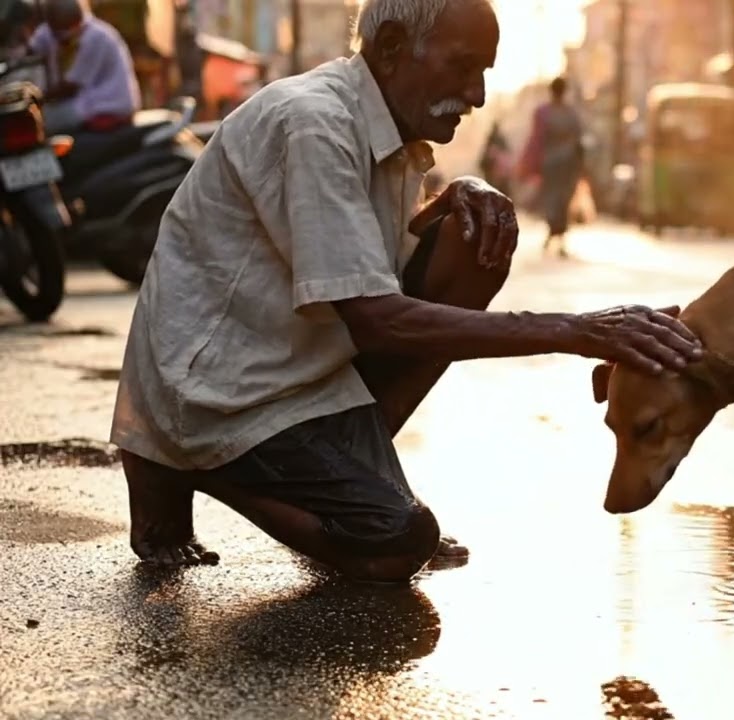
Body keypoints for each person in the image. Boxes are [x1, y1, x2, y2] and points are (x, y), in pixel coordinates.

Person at [110, 0, 702, 580]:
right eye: (463, 67)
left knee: (476, 240)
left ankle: (357, 481)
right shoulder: (313, 121)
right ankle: (186, 459)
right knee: (396, 542)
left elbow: (363, 262)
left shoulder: (388, 131)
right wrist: (578, 331)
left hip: (298, 379)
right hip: (221, 390)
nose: (475, 95)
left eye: (484, 74)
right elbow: (377, 319)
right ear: (393, 49)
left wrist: (459, 192)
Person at [27, 0, 140, 134]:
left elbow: (70, 87)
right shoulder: (50, 32)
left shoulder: (97, 37)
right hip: (83, 103)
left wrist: (36, 98)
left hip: (107, 105)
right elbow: (30, 50)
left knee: (41, 123)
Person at [519, 76, 585, 258]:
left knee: (552, 199)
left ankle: (554, 232)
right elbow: (579, 141)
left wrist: (529, 162)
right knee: (563, 200)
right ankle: (559, 234)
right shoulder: (571, 113)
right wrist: (581, 165)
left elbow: (536, 139)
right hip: (568, 164)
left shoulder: (543, 112)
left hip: (549, 163)